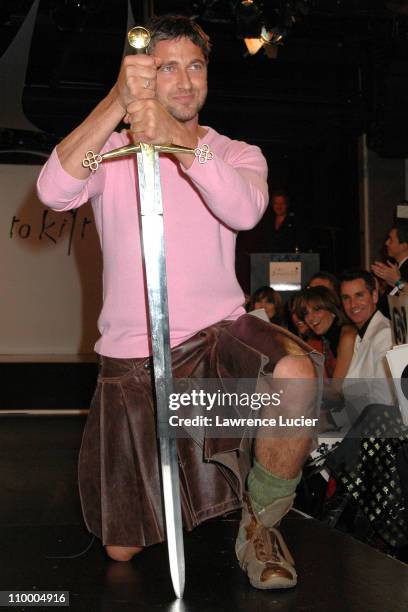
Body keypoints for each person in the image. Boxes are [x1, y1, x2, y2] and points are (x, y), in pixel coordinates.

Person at [36, 15, 320, 590]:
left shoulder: (236, 153)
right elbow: (53, 190)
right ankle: (200, 490)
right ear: (145, 75)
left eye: (196, 66)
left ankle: (261, 526)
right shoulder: (109, 155)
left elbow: (243, 211)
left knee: (295, 372)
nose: (186, 81)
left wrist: (177, 138)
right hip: (133, 359)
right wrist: (118, 103)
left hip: (218, 338)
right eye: (168, 67)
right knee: (121, 549)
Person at [339, 269, 394, 412]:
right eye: (346, 298)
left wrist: (335, 420)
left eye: (359, 295)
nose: (353, 305)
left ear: (374, 296)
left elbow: (384, 398)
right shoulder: (361, 334)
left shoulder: (385, 334)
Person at [295, 286, 356, 380]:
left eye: (316, 310)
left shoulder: (347, 337)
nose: (310, 318)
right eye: (306, 313)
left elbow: (336, 389)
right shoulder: (323, 339)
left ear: (332, 310)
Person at [371, 220, 408, 292]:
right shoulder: (398, 267)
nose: (386, 243)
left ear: (404, 246)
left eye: (391, 239)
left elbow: (400, 284)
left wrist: (397, 280)